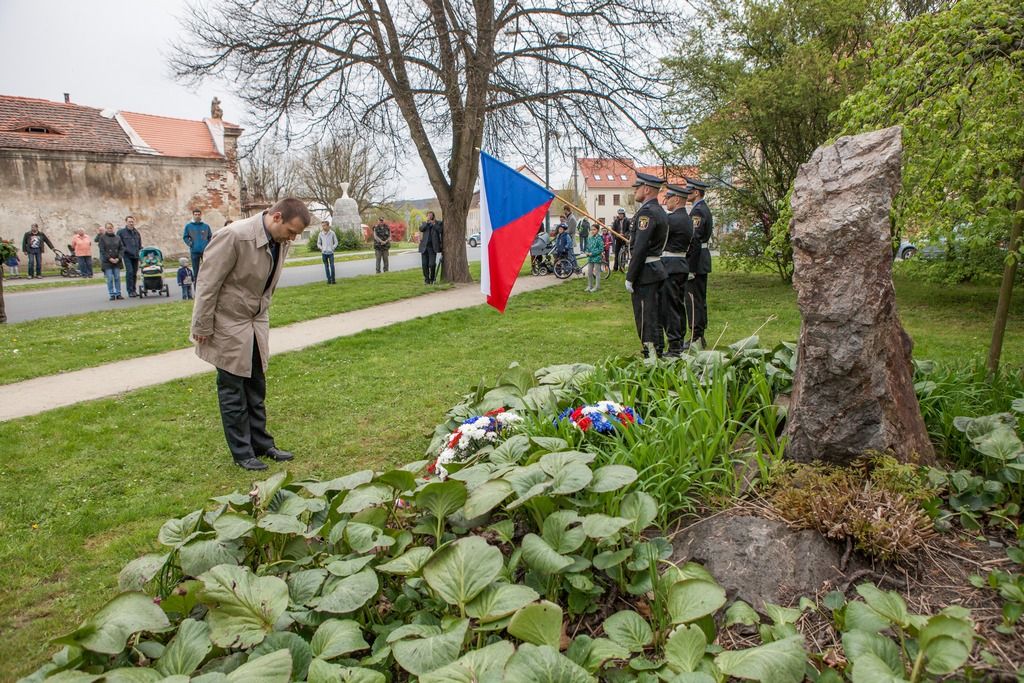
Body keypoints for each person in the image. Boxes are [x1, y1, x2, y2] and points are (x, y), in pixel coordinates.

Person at [190, 197, 312, 470]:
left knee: (256, 385)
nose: (293, 238)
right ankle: (242, 452)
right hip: (228, 322)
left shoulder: (280, 241)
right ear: (276, 217)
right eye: (291, 231)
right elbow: (208, 283)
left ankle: (262, 444)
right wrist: (201, 325)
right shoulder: (234, 236)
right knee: (233, 390)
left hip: (255, 322)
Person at [625, 173, 669, 357]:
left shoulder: (647, 212)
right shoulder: (658, 210)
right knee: (655, 316)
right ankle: (657, 352)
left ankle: (651, 354)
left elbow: (641, 248)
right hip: (655, 270)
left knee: (645, 317)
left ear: (647, 189)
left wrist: (630, 277)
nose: (635, 191)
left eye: (637, 187)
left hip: (646, 273)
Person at [659, 183, 695, 356]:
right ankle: (679, 341)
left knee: (669, 307)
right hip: (681, 265)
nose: (666, 201)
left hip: (670, 266)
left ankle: (674, 346)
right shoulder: (687, 219)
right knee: (678, 306)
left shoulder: (672, 219)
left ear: (678, 199)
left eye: (669, 198)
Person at [685, 179, 714, 347]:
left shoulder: (698, 211)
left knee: (693, 300)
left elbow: (694, 239)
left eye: (689, 191)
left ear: (696, 192)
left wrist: (691, 267)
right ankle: (699, 335)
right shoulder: (701, 209)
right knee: (699, 299)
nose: (687, 194)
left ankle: (696, 336)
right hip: (701, 258)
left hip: (697, 260)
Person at [183, 209, 213, 281]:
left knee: (207, 269)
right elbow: (185, 237)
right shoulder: (188, 226)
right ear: (193, 215)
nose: (197, 216)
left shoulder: (206, 226)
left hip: (205, 251)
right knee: (195, 271)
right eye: (195, 214)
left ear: (200, 215)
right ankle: (196, 287)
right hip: (194, 251)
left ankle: (207, 285)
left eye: (198, 214)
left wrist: (208, 245)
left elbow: (210, 237)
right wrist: (190, 244)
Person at [96, 222, 124, 301]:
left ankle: (118, 293)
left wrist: (119, 258)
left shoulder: (117, 237)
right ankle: (112, 294)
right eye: (108, 228)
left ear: (113, 228)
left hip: (117, 260)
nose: (110, 229)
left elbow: (121, 248)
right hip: (107, 261)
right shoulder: (102, 238)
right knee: (110, 278)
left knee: (117, 277)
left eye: (111, 228)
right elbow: (102, 250)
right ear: (106, 229)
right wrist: (109, 258)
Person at [118, 216, 143, 297]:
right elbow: (120, 244)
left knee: (134, 273)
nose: (131, 223)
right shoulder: (121, 232)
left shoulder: (136, 232)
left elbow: (139, 244)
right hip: (127, 255)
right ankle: (130, 291)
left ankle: (134, 290)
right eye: (129, 222)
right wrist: (125, 250)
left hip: (135, 256)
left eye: (132, 221)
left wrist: (141, 251)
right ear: (126, 222)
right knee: (130, 272)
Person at [418, 211, 443, 284]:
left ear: (433, 216)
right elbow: (421, 229)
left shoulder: (438, 223)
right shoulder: (425, 223)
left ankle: (432, 279)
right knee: (424, 264)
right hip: (424, 247)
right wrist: (427, 222)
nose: (429, 216)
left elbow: (440, 230)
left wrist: (434, 223)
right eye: (428, 215)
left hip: (432, 248)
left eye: (430, 215)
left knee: (431, 264)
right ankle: (426, 279)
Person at [584, 224, 604, 292]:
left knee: (597, 273)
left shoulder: (599, 238)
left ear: (597, 230)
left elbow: (601, 249)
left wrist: (592, 253)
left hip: (597, 258)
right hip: (590, 258)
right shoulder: (590, 238)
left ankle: (597, 286)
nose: (592, 231)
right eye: (591, 229)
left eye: (594, 229)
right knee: (589, 272)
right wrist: (587, 252)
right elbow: (587, 247)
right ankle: (590, 285)